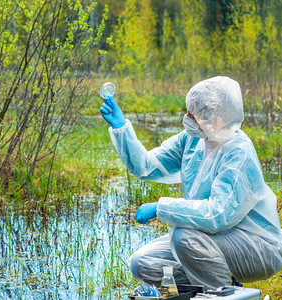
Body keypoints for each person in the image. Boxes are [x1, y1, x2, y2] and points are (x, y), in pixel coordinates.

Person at [99, 76, 282, 290]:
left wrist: (161, 208)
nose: (187, 117)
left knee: (183, 237)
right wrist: (122, 129)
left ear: (217, 120)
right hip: (211, 239)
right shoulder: (193, 139)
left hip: (256, 246)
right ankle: (223, 285)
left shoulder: (238, 151)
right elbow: (147, 166)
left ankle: (221, 294)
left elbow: (218, 214)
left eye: (193, 113)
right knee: (143, 265)